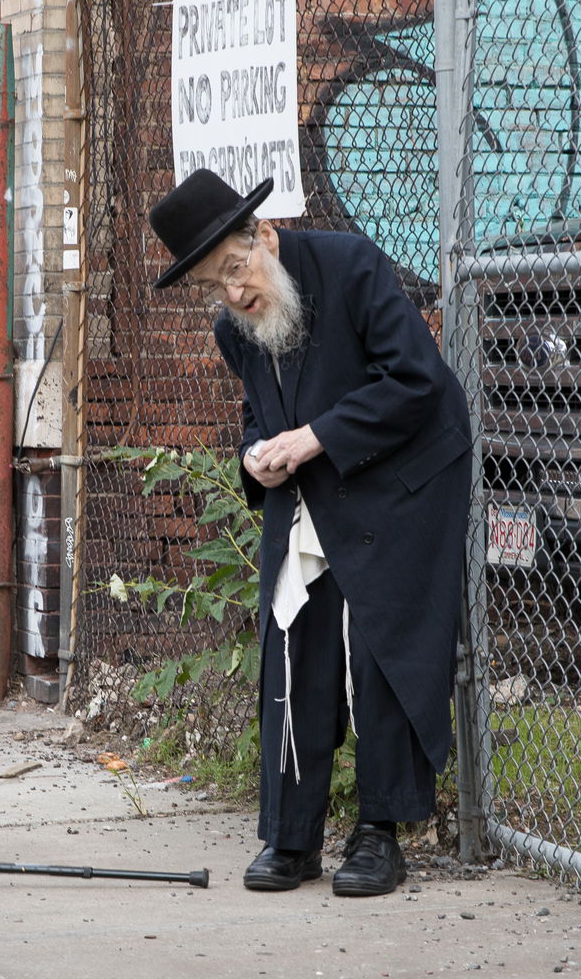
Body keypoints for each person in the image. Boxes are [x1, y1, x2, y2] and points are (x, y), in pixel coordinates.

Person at [147, 170, 472, 897]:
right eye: (213, 285)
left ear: (263, 235)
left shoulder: (350, 264)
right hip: (315, 480)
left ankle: (379, 832)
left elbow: (416, 380)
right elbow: (258, 418)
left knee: (379, 642)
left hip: (408, 477)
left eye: (236, 269)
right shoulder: (238, 328)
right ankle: (292, 837)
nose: (233, 294)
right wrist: (254, 457)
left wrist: (317, 436)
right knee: (295, 642)